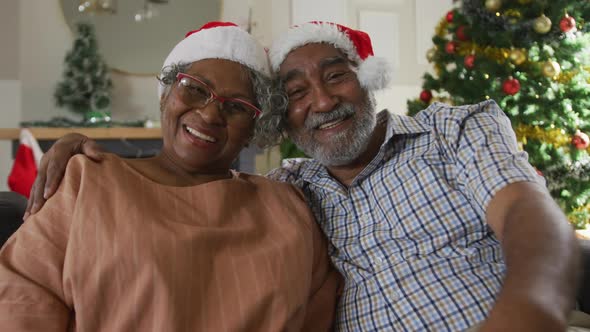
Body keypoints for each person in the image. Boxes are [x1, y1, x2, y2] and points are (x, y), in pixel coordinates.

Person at [24, 21, 580, 331]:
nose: (320, 101)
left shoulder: (450, 132)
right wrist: (77, 150)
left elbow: (534, 218)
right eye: (295, 92)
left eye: (335, 76)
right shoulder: (295, 188)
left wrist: (528, 313)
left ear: (366, 82)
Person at [0, 21, 341, 331]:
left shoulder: (289, 209)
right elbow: (22, 298)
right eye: (194, 89)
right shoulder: (84, 181)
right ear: (165, 96)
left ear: (254, 129)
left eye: (236, 106)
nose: (209, 113)